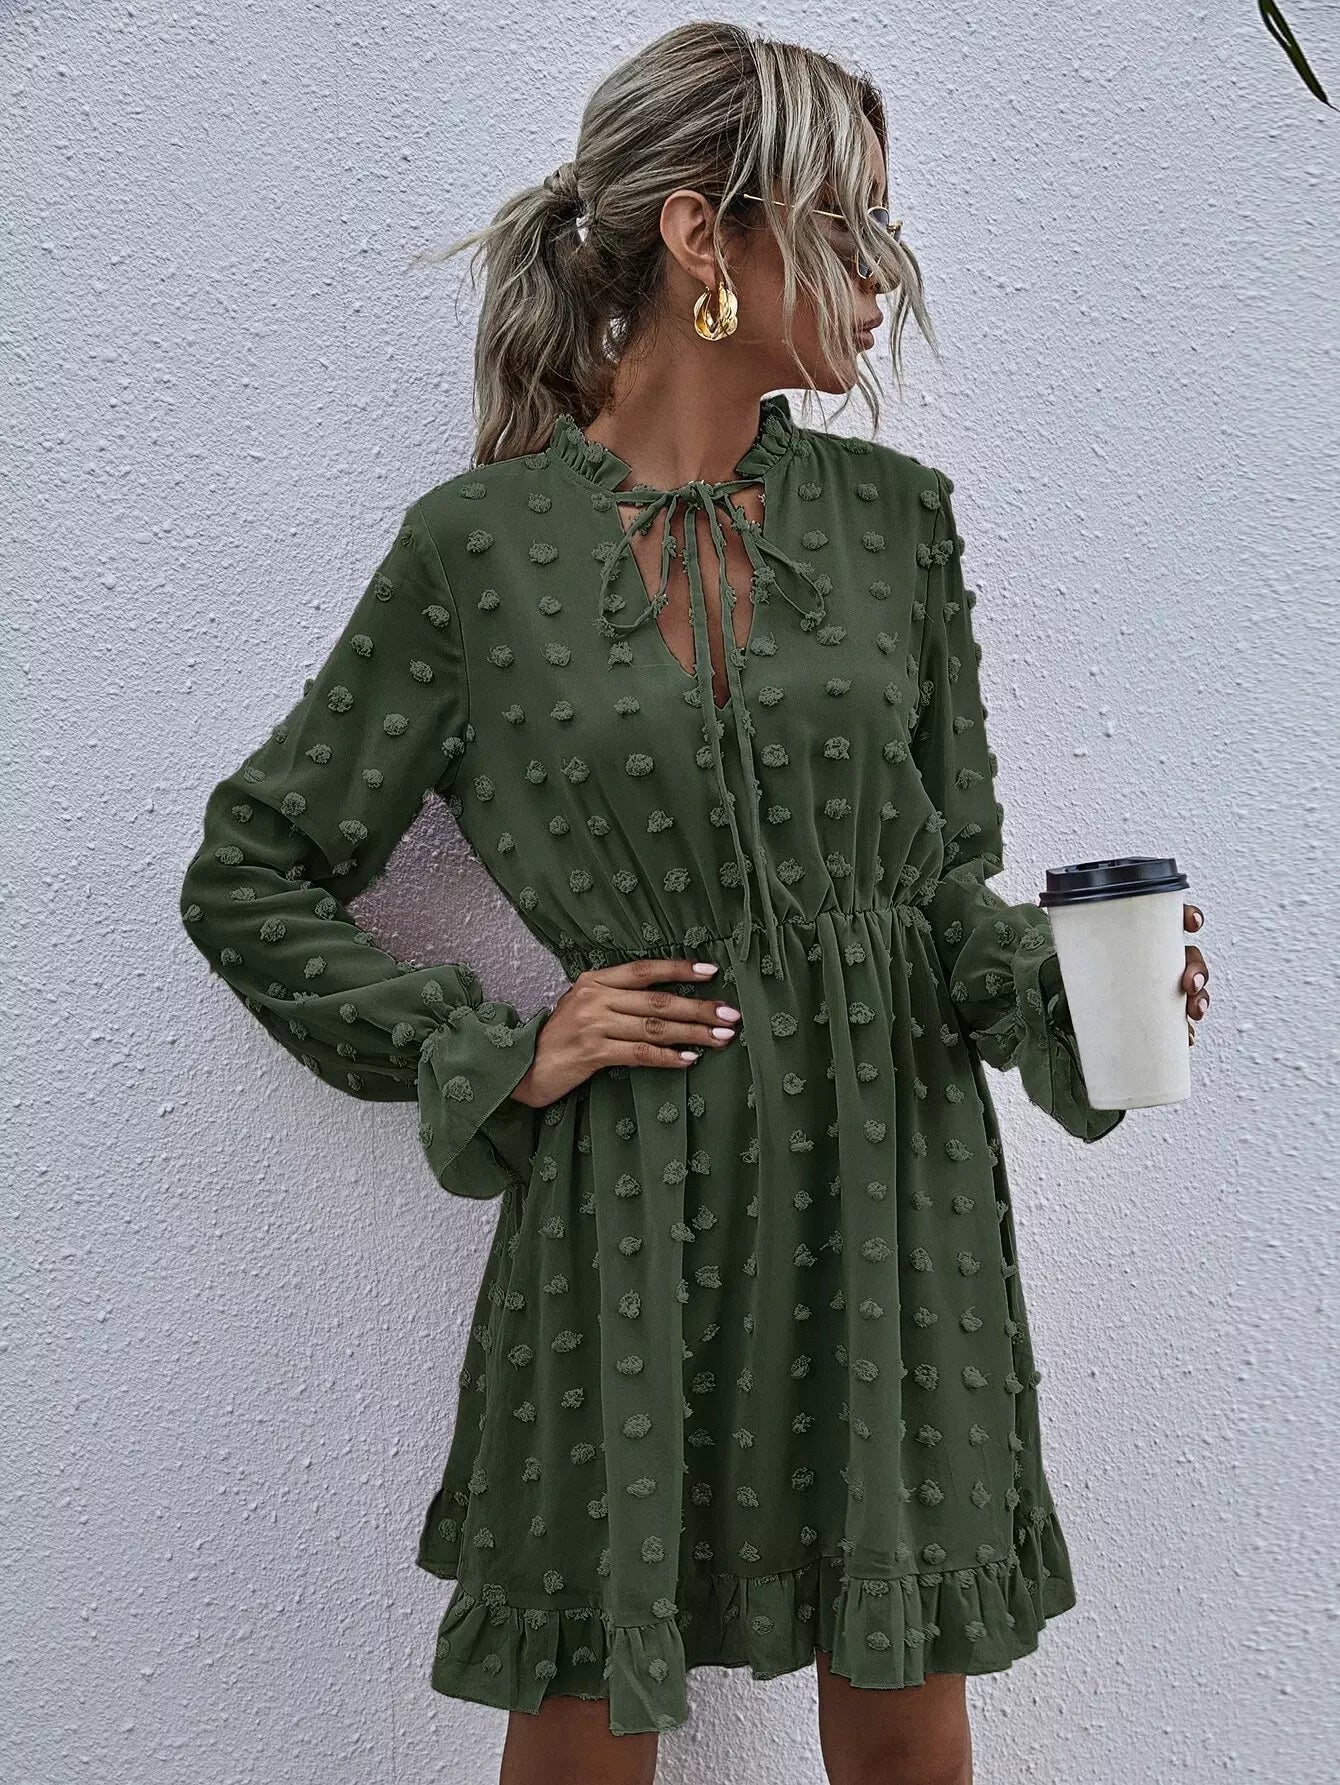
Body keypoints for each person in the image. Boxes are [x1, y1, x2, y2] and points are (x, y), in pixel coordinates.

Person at [178, 21, 1211, 1785]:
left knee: (906, 1734)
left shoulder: (901, 525)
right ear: (697, 235)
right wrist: (494, 1049)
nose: (884, 276)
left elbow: (934, 895)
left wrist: (1078, 991)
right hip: (626, 1208)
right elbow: (250, 869)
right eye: (850, 222)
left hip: (894, 1197)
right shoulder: (475, 555)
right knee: (585, 1723)